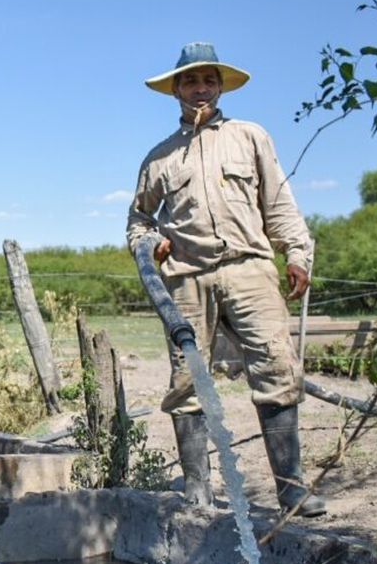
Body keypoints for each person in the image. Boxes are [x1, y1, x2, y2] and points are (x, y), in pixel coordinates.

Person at [125, 42, 327, 517]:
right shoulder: (160, 158)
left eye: (208, 81)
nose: (200, 89)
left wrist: (296, 254)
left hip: (249, 267)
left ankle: (291, 489)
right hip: (187, 278)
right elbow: (137, 220)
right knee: (187, 381)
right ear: (176, 90)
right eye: (191, 82)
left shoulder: (250, 137)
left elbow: (278, 204)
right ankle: (198, 489)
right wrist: (149, 241)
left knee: (276, 368)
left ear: (219, 87)